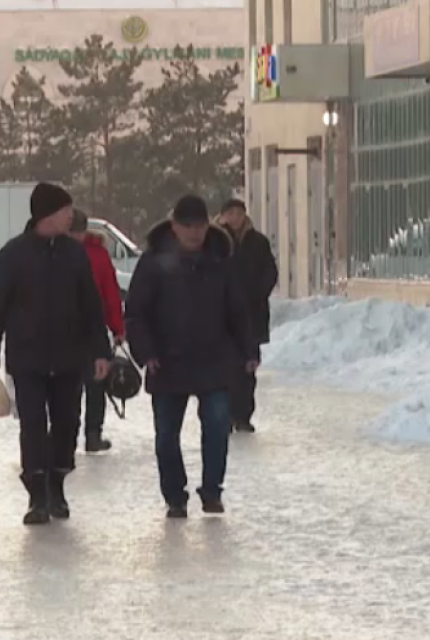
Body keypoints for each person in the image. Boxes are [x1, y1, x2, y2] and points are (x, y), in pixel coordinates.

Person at [0, 183, 112, 526]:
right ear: (48, 214)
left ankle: (57, 484)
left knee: (67, 424)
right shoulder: (14, 254)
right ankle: (37, 495)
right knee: (33, 427)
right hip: (28, 359)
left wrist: (100, 351)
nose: (71, 216)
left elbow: (91, 306)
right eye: (66, 210)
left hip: (69, 357)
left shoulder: (75, 254)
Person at [125, 195, 258, 519]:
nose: (195, 233)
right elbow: (136, 312)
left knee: (217, 427)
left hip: (213, 360)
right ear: (174, 226)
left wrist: (248, 350)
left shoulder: (219, 259)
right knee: (166, 436)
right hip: (166, 362)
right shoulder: (154, 261)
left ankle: (212, 491)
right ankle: (175, 496)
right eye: (188, 226)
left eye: (200, 225)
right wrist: (146, 352)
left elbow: (237, 310)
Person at [216, 198, 279, 433]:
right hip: (221, 315)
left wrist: (257, 294)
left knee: (248, 366)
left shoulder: (257, 242)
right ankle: (224, 415)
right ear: (223, 216)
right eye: (230, 213)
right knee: (223, 367)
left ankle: (243, 415)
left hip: (251, 312)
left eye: (239, 213)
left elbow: (270, 272)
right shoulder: (215, 241)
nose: (235, 218)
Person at [67, 209, 124, 453]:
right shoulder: (97, 254)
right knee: (91, 386)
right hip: (89, 330)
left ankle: (82, 436)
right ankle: (90, 435)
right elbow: (111, 295)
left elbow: (110, 294)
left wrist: (117, 328)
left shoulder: (89, 254)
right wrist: (117, 328)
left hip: (85, 331)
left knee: (84, 385)